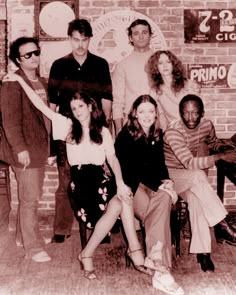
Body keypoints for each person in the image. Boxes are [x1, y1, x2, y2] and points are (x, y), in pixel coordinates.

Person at [3, 72, 153, 280]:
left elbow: (113, 159)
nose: (77, 111)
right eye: (74, 108)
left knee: (123, 198)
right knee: (121, 203)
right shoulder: (67, 126)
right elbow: (40, 105)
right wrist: (20, 80)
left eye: (81, 106)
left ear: (90, 106)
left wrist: (119, 182)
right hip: (82, 185)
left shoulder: (103, 130)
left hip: (103, 180)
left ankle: (91, 254)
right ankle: (131, 254)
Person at [48, 18, 113, 243]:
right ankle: (62, 227)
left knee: (96, 179)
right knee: (66, 179)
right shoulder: (58, 65)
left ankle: (99, 227)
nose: (80, 45)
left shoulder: (101, 64)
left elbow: (106, 100)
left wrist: (103, 128)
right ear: (69, 39)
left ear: (89, 39)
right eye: (76, 40)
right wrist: (53, 142)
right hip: (67, 131)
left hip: (94, 129)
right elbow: (52, 107)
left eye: (84, 40)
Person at [115, 95, 184, 295]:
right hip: (131, 188)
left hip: (149, 186)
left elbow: (159, 165)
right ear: (135, 113)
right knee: (158, 215)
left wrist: (167, 181)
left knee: (163, 199)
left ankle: (158, 265)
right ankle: (162, 271)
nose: (147, 115)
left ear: (156, 114)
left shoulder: (156, 133)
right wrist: (159, 184)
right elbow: (132, 171)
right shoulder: (125, 136)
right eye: (142, 111)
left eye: (151, 111)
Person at [164, 94, 236, 272]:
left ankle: (203, 253)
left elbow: (213, 142)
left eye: (194, 113)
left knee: (197, 199)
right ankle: (222, 223)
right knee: (197, 175)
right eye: (185, 113)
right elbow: (190, 163)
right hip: (170, 176)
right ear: (180, 113)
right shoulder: (173, 131)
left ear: (202, 113)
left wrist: (224, 149)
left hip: (190, 177)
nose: (189, 118)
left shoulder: (206, 125)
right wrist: (220, 157)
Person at [0, 37, 51, 262]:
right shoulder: (12, 83)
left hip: (39, 149)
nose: (34, 57)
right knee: (29, 199)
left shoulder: (41, 81)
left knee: (32, 196)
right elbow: (9, 121)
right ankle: (32, 248)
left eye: (36, 52)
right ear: (18, 60)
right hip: (25, 151)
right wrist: (20, 149)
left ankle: (23, 237)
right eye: (28, 55)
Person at [112, 19, 157, 136]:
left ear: (150, 35)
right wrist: (118, 131)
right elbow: (117, 102)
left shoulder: (161, 61)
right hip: (132, 125)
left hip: (157, 123)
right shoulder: (122, 65)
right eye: (136, 33)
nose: (141, 37)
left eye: (144, 32)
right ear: (130, 38)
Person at [146, 50, 200, 130]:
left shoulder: (187, 84)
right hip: (173, 130)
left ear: (173, 65)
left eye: (168, 62)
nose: (165, 66)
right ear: (156, 67)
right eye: (160, 63)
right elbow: (159, 114)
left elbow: (196, 111)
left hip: (192, 127)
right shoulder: (155, 90)